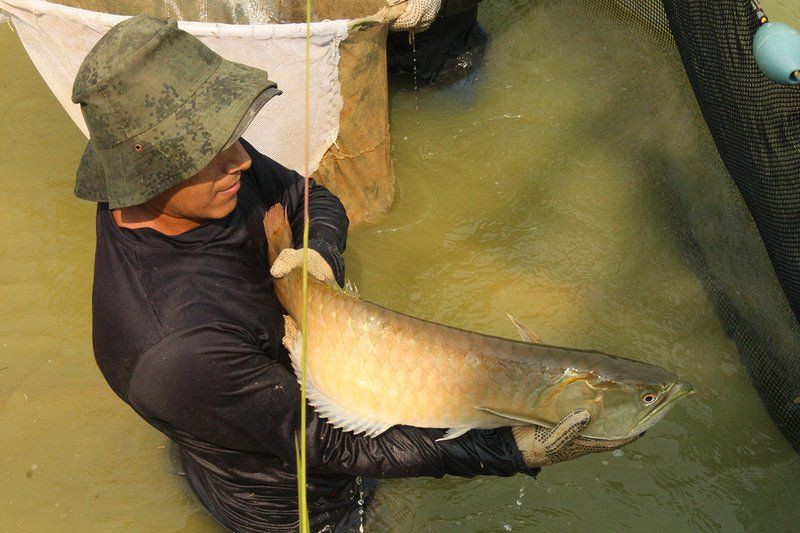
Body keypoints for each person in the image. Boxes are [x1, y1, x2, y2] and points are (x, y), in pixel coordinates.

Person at [72, 15, 636, 532]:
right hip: (290, 496)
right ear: (144, 169)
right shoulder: (176, 347)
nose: (241, 160)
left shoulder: (205, 176)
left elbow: (309, 197)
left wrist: (318, 257)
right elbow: (336, 448)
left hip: (265, 396)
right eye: (207, 151)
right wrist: (510, 449)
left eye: (228, 136)